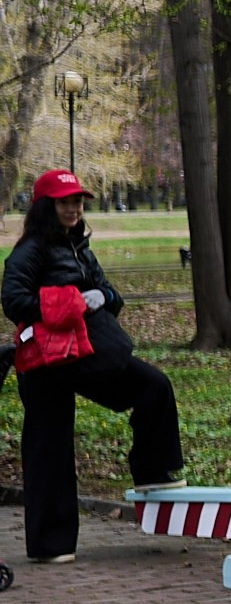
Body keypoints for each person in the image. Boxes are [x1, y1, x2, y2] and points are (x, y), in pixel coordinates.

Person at [4, 169, 184, 564]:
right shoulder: (29, 250)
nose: (73, 208)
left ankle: (152, 473)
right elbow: (13, 301)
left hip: (87, 353)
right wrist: (66, 304)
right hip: (43, 363)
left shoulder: (80, 246)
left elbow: (108, 292)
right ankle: (51, 547)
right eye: (64, 202)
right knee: (48, 448)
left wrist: (103, 295)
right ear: (45, 207)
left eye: (77, 201)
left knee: (154, 385)